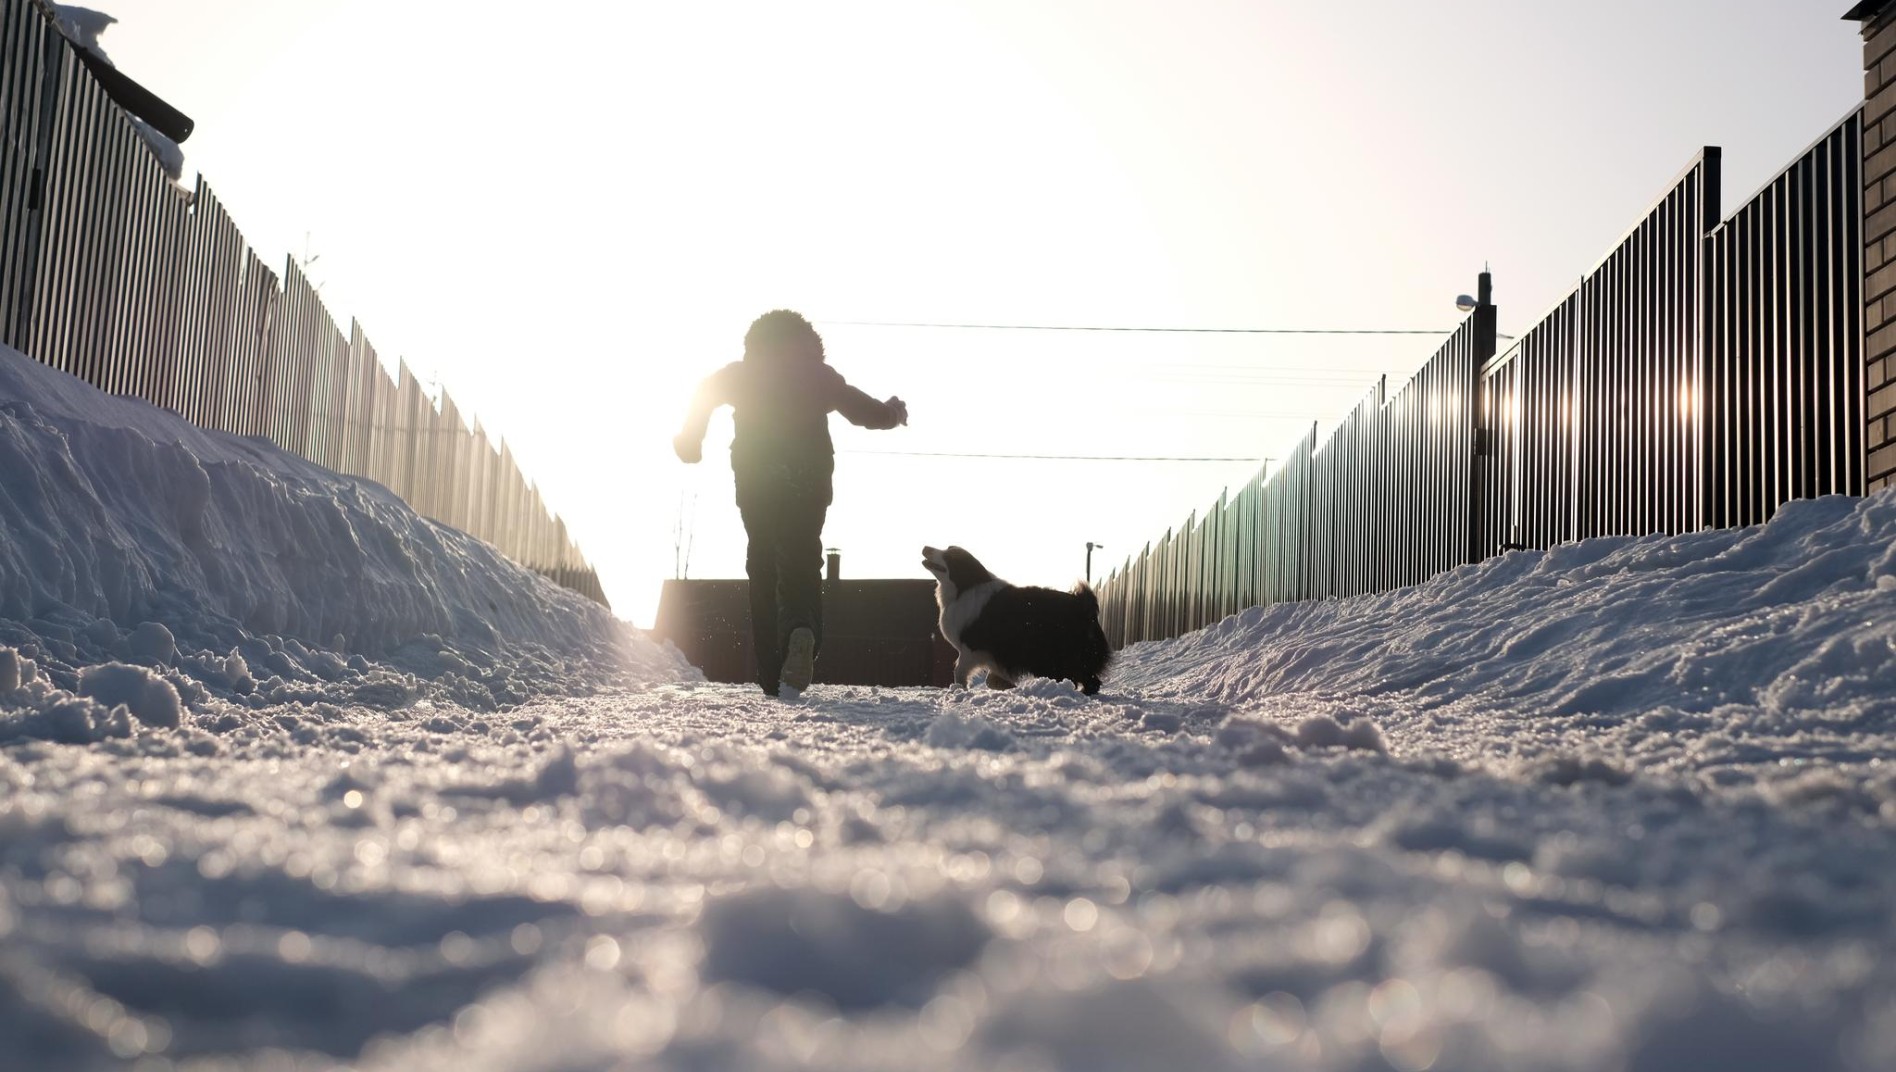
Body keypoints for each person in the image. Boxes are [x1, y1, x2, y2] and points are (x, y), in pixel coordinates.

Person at [674, 310, 908, 697]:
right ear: (808, 346)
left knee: (762, 564)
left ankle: (770, 672)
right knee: (802, 558)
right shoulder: (819, 377)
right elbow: (865, 412)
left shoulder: (741, 373)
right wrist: (893, 412)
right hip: (808, 479)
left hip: (757, 479)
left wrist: (690, 440)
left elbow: (703, 393)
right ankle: (802, 631)